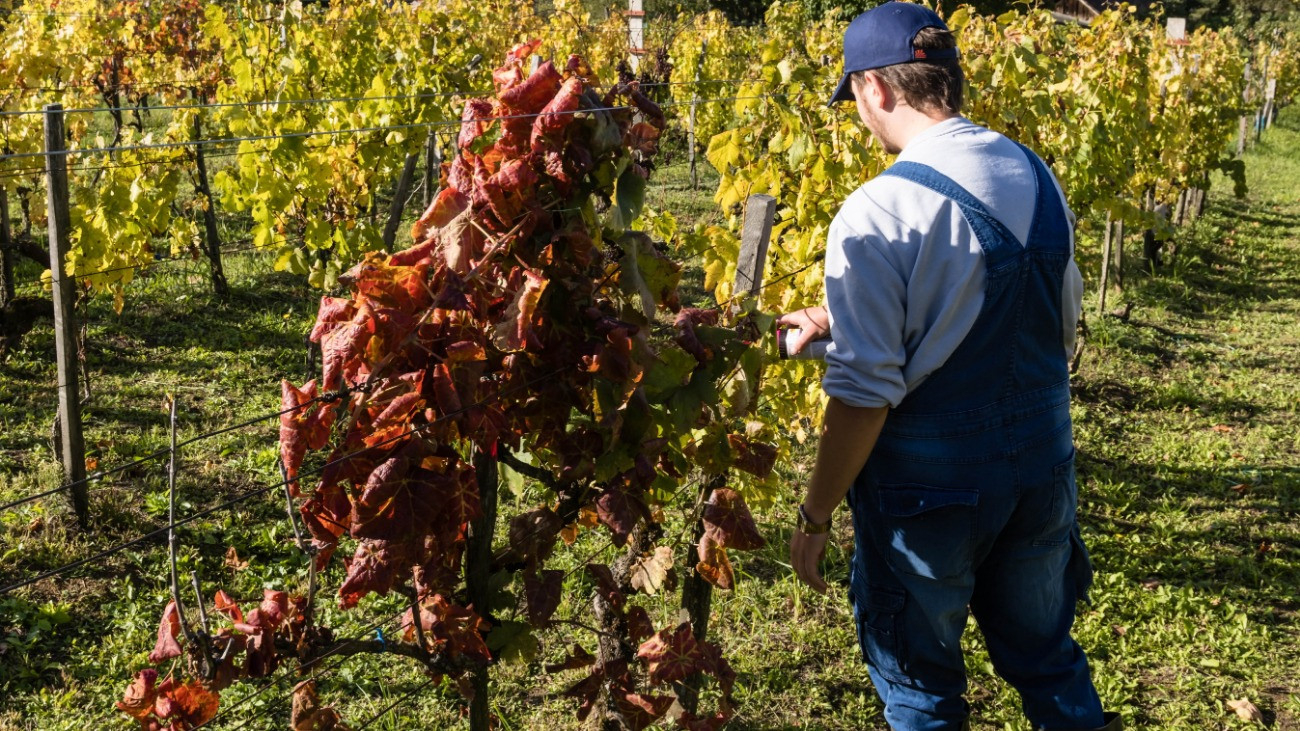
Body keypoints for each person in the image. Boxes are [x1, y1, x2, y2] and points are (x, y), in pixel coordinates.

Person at [778, 3, 1120, 730]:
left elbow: (864, 396)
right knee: (1047, 658)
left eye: (856, 98)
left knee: (921, 689)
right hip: (1042, 467)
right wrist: (845, 316)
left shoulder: (879, 208)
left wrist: (815, 513)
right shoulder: (1035, 173)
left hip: (929, 495)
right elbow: (1048, 320)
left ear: (874, 88)